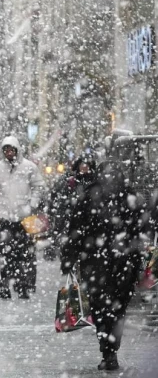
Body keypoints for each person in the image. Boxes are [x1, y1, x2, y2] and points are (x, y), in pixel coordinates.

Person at [60, 156, 141, 371]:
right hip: (122, 263)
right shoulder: (129, 196)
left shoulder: (89, 195)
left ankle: (106, 348)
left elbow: (75, 230)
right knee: (118, 308)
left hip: (95, 262)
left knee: (100, 307)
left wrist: (69, 258)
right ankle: (111, 348)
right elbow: (140, 231)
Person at [0, 136, 45, 300]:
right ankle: (5, 286)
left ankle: (23, 285)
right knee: (6, 254)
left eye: (11, 150)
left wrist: (31, 205)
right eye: (6, 150)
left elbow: (39, 186)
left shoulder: (29, 167)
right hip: (5, 217)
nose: (9, 153)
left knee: (25, 254)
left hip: (25, 218)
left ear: (17, 150)